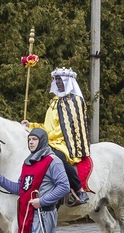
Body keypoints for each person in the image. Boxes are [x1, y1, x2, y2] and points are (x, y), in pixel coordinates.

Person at [24, 68, 90, 206]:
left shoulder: (74, 101)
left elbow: (67, 127)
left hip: (65, 143)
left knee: (57, 158)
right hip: (50, 140)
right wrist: (31, 126)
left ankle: (79, 190)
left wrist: (46, 137)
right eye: (56, 80)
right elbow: (47, 126)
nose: (58, 83)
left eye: (61, 80)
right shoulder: (54, 101)